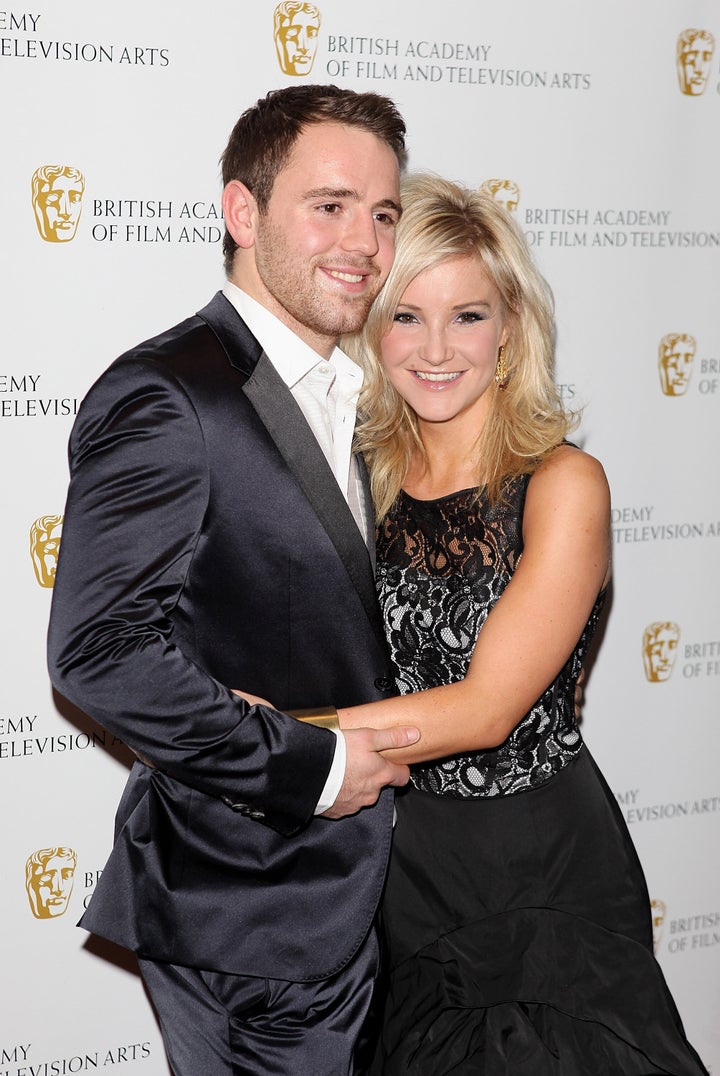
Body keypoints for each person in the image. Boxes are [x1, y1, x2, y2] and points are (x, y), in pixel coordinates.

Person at [241, 174, 709, 1073]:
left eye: (469, 315)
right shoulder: (354, 475)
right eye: (406, 315)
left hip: (540, 871)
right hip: (399, 870)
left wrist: (266, 739)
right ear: (371, 325)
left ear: (511, 328)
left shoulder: (563, 484)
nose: (436, 348)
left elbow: (486, 708)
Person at [46, 84, 421, 1076]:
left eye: (384, 214)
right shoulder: (171, 394)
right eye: (330, 205)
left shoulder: (365, 391)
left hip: (354, 900)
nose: (366, 243)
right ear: (242, 212)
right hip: (250, 905)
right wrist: (318, 765)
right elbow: (98, 655)